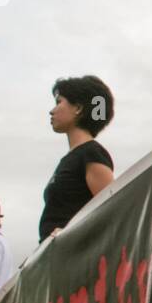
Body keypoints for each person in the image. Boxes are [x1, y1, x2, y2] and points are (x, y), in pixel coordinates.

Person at [40, 76, 115, 239]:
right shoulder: (70, 159)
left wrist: (70, 235)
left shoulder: (91, 153)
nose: (51, 111)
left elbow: (114, 211)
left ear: (78, 108)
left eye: (59, 102)